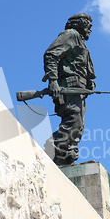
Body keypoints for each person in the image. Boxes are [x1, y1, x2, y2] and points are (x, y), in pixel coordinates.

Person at [42, 13, 96, 166]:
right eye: (87, 23)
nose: (90, 27)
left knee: (77, 126)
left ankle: (64, 159)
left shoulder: (79, 40)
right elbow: (51, 55)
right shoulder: (70, 35)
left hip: (78, 90)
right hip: (67, 88)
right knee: (74, 121)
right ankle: (52, 151)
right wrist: (53, 81)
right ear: (78, 23)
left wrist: (88, 83)